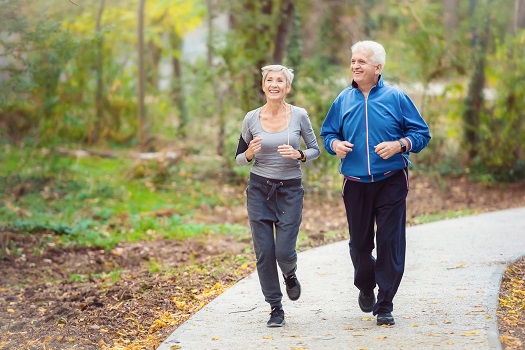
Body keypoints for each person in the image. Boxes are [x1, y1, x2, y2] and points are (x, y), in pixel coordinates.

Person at [320, 40, 431, 326]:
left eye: (362, 62)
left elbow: (421, 134)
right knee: (359, 245)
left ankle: (385, 303)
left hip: (391, 180)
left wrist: (400, 145)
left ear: (378, 67)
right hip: (355, 182)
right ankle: (366, 285)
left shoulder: (396, 97)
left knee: (389, 242)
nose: (355, 65)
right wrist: (335, 145)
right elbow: (328, 133)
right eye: (353, 61)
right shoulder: (343, 99)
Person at [235, 64, 320, 327]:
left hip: (290, 191)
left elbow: (315, 149)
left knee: (283, 251)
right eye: (269, 80)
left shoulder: (299, 115)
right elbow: (239, 159)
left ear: (287, 87)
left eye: (280, 81)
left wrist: (301, 155)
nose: (274, 84)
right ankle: (275, 307)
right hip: (259, 190)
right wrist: (249, 153)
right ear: (263, 86)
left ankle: (290, 274)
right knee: (264, 252)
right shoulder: (251, 118)